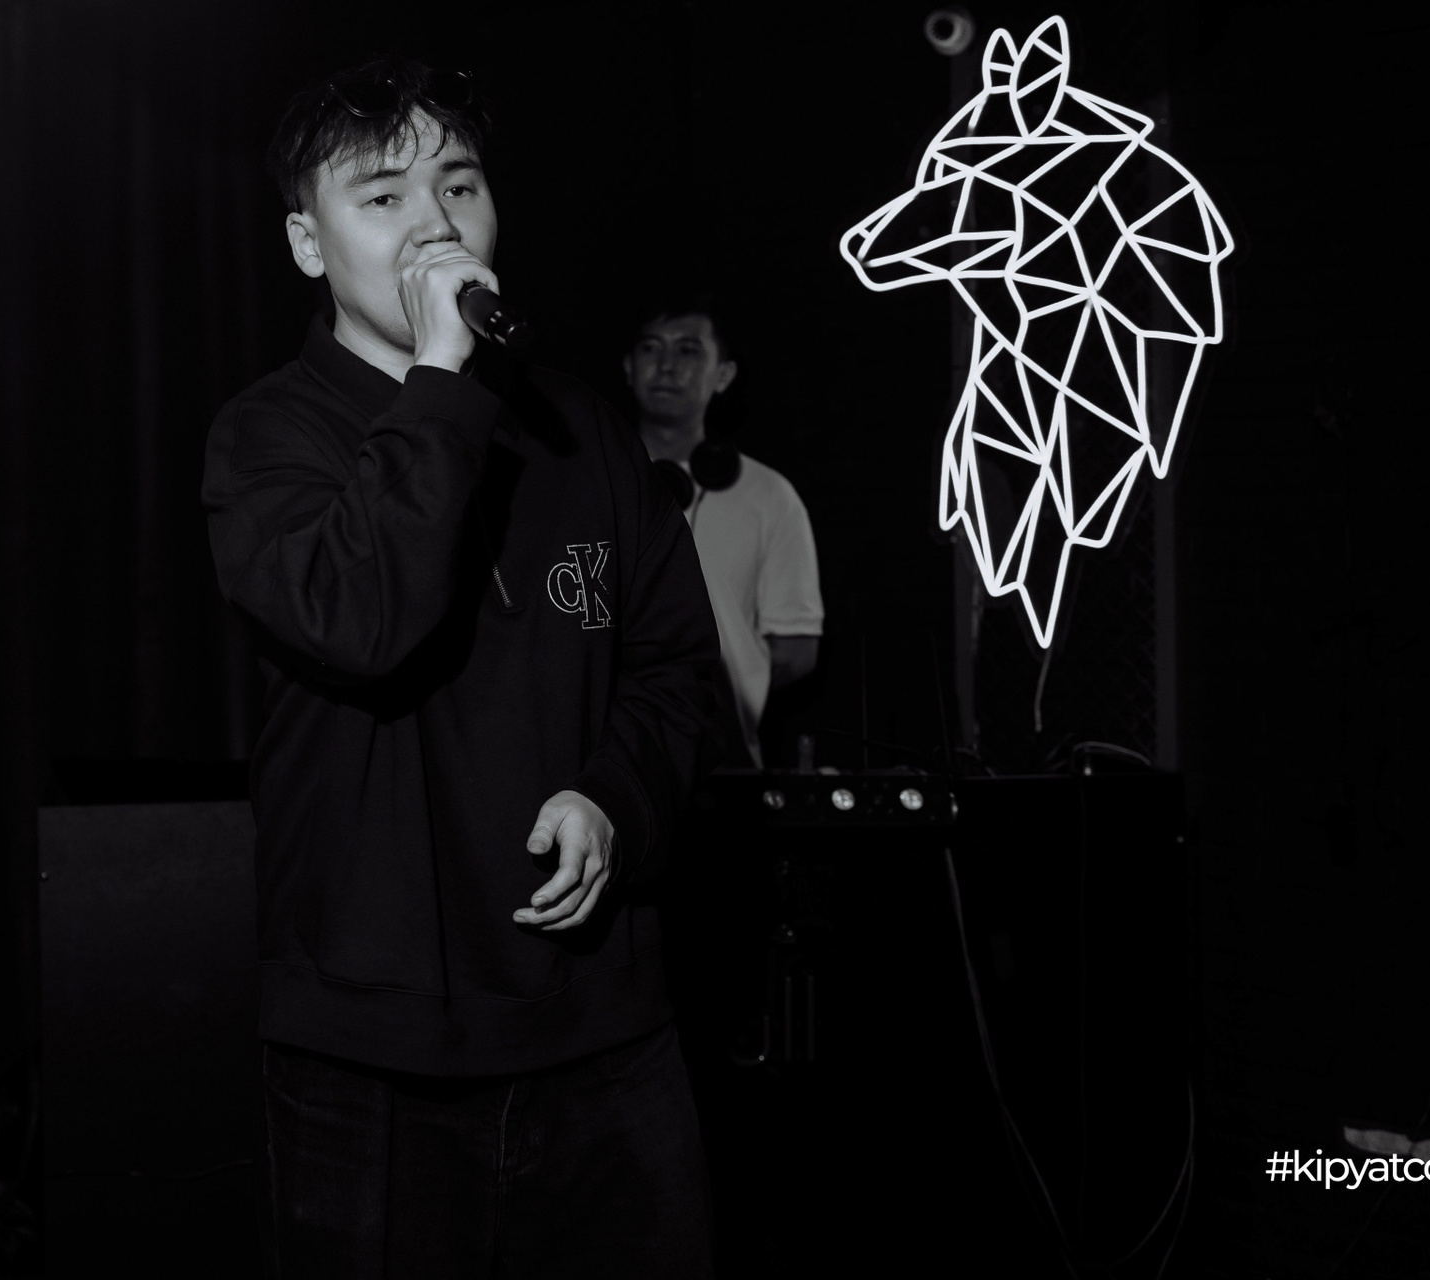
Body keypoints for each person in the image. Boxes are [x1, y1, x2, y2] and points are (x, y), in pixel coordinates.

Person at [202, 57, 721, 1279]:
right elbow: (361, 620)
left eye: (460, 185)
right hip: (372, 1064)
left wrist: (614, 796)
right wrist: (441, 382)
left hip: (604, 1038)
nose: (435, 222)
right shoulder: (266, 437)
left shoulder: (583, 428)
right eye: (383, 197)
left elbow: (678, 672)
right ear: (308, 243)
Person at [625, 303, 824, 768]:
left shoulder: (769, 494)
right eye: (651, 348)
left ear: (724, 375)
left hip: (722, 763)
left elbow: (798, 649)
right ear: (629, 368)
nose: (666, 365)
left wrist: (722, 690)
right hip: (603, 761)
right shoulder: (590, 483)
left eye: (688, 350)